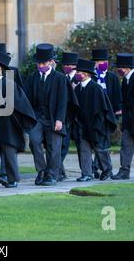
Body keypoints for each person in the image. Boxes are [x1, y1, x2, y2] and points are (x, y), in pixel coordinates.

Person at [0, 47, 36, 188]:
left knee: (9, 153)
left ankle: (13, 179)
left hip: (8, 125)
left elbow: (22, 105)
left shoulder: (10, 84)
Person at [25, 44, 69, 186]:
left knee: (54, 147)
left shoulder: (60, 78)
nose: (41, 65)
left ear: (50, 62)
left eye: (44, 63)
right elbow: (27, 99)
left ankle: (51, 175)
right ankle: (42, 170)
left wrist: (59, 120)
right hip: (37, 118)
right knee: (34, 141)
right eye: (39, 63)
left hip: (53, 118)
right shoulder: (32, 78)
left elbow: (63, 101)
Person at [73, 59, 118, 181]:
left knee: (100, 149)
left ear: (86, 74)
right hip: (82, 125)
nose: (77, 74)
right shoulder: (77, 89)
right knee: (84, 150)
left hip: (95, 125)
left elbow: (101, 109)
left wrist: (98, 126)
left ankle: (107, 170)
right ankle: (86, 173)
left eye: (79, 72)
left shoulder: (96, 88)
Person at [90, 48, 122, 179]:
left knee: (102, 142)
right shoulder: (91, 77)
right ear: (95, 63)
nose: (102, 63)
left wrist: (118, 110)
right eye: (99, 61)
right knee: (97, 142)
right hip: (94, 114)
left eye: (105, 61)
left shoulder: (112, 78)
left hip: (108, 114)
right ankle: (99, 167)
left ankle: (104, 168)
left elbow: (117, 95)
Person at [59, 51, 80, 181]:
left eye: (70, 65)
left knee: (83, 146)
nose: (67, 66)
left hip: (77, 118)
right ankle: (59, 171)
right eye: (65, 64)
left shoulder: (79, 78)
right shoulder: (62, 77)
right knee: (62, 146)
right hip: (65, 117)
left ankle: (92, 169)